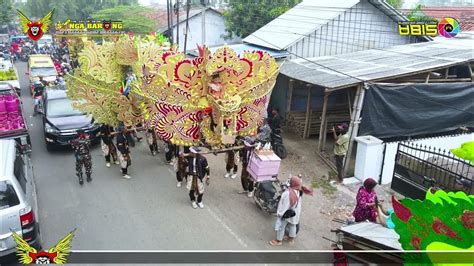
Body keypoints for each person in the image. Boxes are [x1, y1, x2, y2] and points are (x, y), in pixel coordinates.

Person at [269, 176, 313, 246]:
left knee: (281, 226)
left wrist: (280, 214)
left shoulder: (288, 194)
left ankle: (278, 241)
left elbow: (285, 206)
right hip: (295, 212)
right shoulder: (299, 190)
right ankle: (291, 238)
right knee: (293, 225)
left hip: (287, 213)